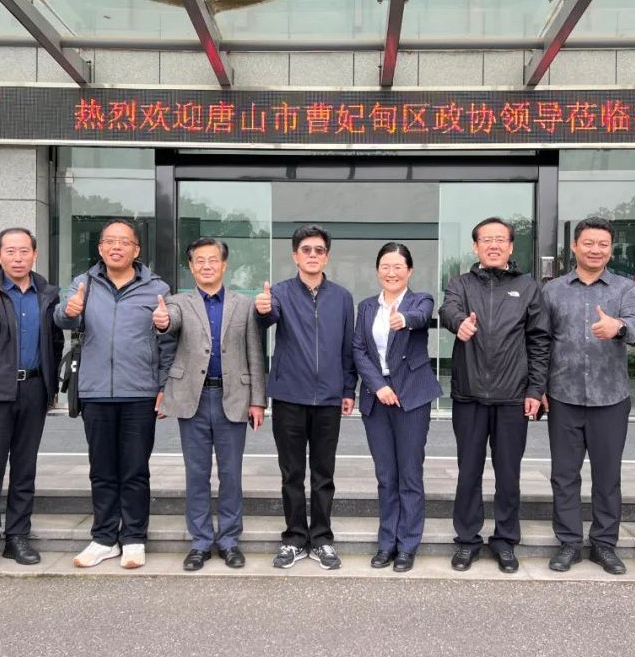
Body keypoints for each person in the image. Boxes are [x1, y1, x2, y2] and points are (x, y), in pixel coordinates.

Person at [55, 219, 173, 570]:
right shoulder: (84, 283)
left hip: (139, 392)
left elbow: (167, 342)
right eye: (109, 241)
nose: (116, 247)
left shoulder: (157, 288)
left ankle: (134, 537)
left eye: (124, 242)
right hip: (95, 392)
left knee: (135, 469)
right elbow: (63, 318)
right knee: (102, 469)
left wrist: (164, 386)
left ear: (136, 249)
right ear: (100, 248)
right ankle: (104, 537)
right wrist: (69, 311)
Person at [439, 217, 550, 573]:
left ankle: (505, 540)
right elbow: (447, 309)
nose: (493, 245)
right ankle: (467, 540)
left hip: (512, 397)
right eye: (486, 239)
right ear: (475, 247)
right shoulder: (460, 284)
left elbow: (539, 341)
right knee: (468, 472)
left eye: (500, 239)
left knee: (508, 474)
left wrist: (535, 389)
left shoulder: (528, 287)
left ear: (511, 246)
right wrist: (459, 323)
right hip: (469, 395)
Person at [153, 237, 266, 571]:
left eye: (213, 259)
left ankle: (230, 541)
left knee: (231, 475)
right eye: (199, 260)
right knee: (197, 473)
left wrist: (258, 400)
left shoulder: (243, 305)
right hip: (194, 398)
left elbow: (255, 353)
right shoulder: (177, 302)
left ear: (224, 264)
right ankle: (200, 542)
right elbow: (170, 322)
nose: (206, 265)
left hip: (233, 397)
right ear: (191, 266)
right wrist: (162, 321)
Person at [541, 217, 635, 575]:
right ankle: (569, 542)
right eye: (588, 243)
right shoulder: (553, 290)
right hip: (563, 395)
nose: (595, 250)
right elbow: (540, 341)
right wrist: (539, 388)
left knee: (607, 476)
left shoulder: (624, 288)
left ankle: (604, 544)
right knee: (564, 475)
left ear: (610, 250)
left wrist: (619, 327)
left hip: (610, 398)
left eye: (603, 244)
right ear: (574, 247)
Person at [254, 223, 356, 570]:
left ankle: (322, 538)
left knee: (324, 474)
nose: (313, 255)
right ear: (295, 256)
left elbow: (347, 348)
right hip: (289, 397)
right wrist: (262, 308)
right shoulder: (280, 293)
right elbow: (266, 318)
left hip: (328, 399)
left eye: (319, 250)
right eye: (306, 250)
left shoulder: (342, 297)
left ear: (327, 256)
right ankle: (296, 538)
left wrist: (348, 389)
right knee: (292, 473)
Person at [0, 227, 63, 573]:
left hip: (34, 388)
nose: (17, 258)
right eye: (10, 251)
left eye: (24, 251)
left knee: (25, 469)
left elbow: (55, 342)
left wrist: (51, 388)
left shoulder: (47, 292)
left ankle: (17, 536)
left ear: (34, 254)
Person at [352, 242, 442, 573]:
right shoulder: (365, 307)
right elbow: (358, 349)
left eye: (398, 267)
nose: (391, 273)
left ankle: (407, 545)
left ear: (410, 271)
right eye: (385, 267)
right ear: (378, 271)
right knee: (386, 475)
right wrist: (378, 385)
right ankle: (387, 542)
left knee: (410, 473)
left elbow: (421, 318)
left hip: (411, 397)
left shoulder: (421, 300)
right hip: (377, 397)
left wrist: (403, 318)